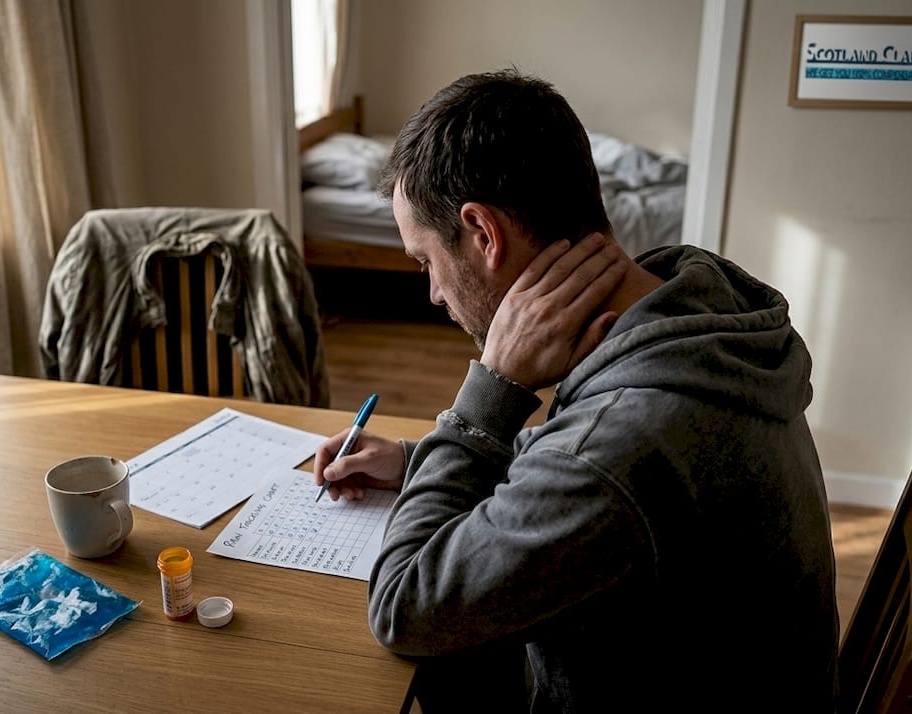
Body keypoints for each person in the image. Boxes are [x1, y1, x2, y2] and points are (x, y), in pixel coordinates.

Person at [313, 69, 839, 713]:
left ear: (483, 234)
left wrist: (490, 391)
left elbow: (403, 606)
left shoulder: (617, 448)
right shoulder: (700, 309)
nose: (434, 294)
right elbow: (579, 472)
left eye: (427, 262)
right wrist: (416, 460)